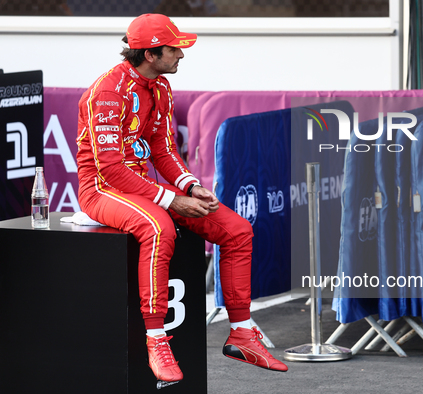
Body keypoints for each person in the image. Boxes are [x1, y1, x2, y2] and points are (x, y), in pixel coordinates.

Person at [75, 13, 288, 382]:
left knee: (236, 229)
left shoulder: (160, 87)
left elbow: (163, 149)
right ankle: (156, 339)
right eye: (174, 49)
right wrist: (171, 201)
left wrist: (190, 186)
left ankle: (242, 332)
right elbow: (109, 170)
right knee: (160, 228)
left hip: (141, 187)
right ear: (150, 54)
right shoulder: (108, 93)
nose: (181, 55)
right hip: (102, 191)